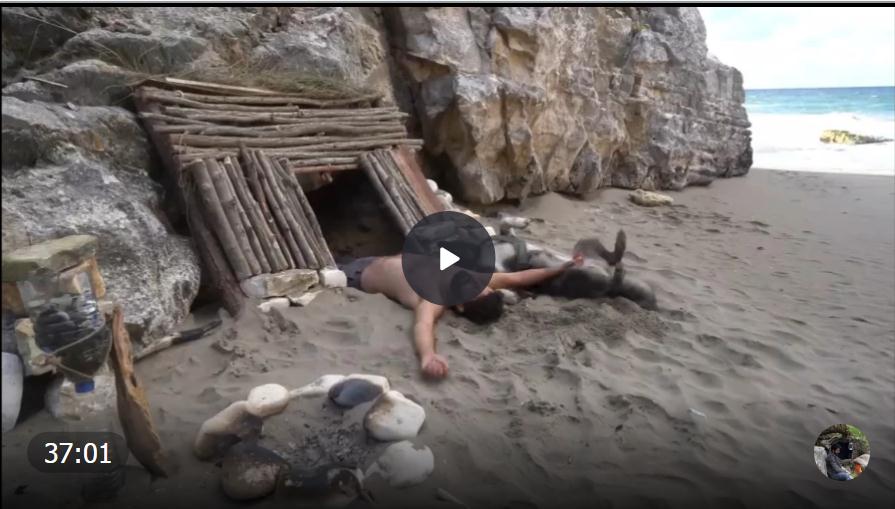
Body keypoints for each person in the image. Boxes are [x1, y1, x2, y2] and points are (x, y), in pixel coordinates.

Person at [338, 253, 583, 379]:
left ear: (461, 307)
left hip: (356, 275)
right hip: (382, 257)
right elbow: (517, 278)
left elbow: (423, 325)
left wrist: (428, 356)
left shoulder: (434, 297)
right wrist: (562, 267)